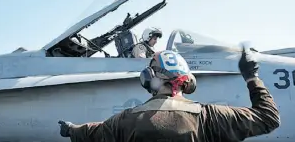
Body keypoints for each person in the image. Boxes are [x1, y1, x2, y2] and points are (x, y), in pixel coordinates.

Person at [58, 48, 280, 142]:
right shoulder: (209, 117)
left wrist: (71, 130)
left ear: (149, 78)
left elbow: (94, 132)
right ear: (186, 81)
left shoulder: (126, 120)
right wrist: (252, 77)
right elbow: (268, 118)